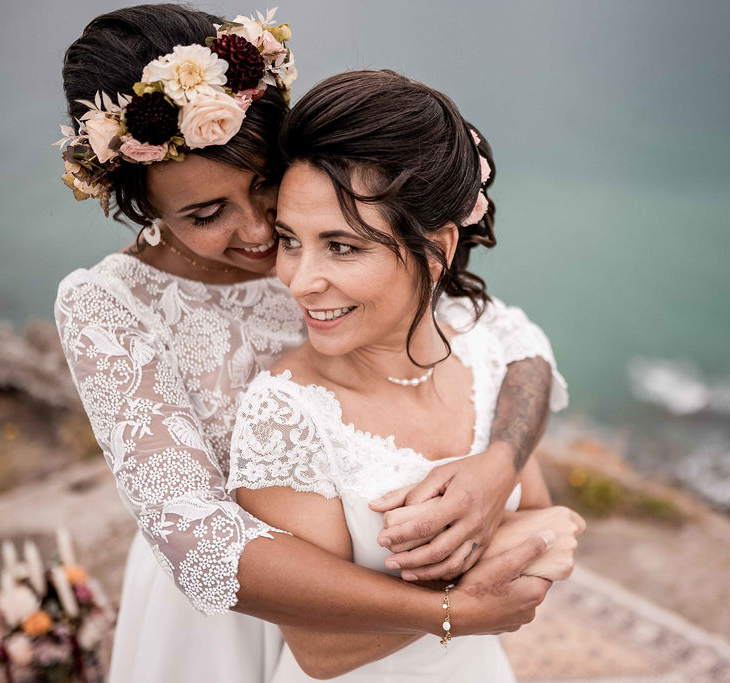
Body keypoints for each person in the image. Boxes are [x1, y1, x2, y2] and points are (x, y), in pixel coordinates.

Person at [54, 5, 571, 682]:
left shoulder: (318, 224)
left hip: (361, 566)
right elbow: (197, 538)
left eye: (266, 185)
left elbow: (506, 342)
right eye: (206, 215)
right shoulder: (109, 304)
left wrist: (497, 467)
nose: (264, 235)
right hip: (231, 612)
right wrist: (450, 609)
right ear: (144, 204)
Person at [229, 69, 581, 681]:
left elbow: (546, 516)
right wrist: (465, 600)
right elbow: (319, 649)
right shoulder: (285, 415)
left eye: (341, 246)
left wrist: (519, 514)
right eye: (291, 239)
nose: (299, 279)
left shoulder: (482, 348)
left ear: (438, 247)